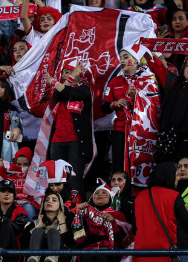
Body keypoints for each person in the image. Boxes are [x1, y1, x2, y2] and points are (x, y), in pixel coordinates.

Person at [102, 44, 160, 186]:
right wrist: (114, 104)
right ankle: (116, 196)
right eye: (121, 57)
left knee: (139, 166)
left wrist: (138, 97)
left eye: (126, 57)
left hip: (141, 134)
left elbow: (156, 105)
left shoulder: (148, 79)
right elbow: (104, 107)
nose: (121, 60)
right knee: (117, 166)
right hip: (120, 130)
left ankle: (136, 195)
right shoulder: (115, 81)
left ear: (135, 60)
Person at [134, 162, 188, 262]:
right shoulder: (173, 196)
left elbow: (134, 226)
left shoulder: (139, 196)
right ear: (168, 175)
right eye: (176, 175)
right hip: (164, 254)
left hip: (140, 253)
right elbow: (187, 225)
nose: (178, 178)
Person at [45, 59, 93, 196]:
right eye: (64, 72)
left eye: (69, 72)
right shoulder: (59, 93)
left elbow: (69, 92)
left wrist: (53, 82)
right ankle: (58, 208)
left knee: (74, 179)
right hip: (57, 141)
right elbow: (59, 94)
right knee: (57, 180)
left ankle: (76, 212)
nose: (66, 75)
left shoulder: (85, 90)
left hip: (76, 141)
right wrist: (68, 78)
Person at [22, 191, 74, 262]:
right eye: (46, 200)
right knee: (38, 231)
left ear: (60, 205)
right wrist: (38, 226)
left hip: (59, 258)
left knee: (53, 232)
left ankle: (53, 258)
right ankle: (34, 257)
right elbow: (23, 242)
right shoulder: (35, 222)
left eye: (54, 200)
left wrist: (62, 222)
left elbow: (69, 243)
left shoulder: (67, 221)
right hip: (39, 259)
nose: (49, 202)